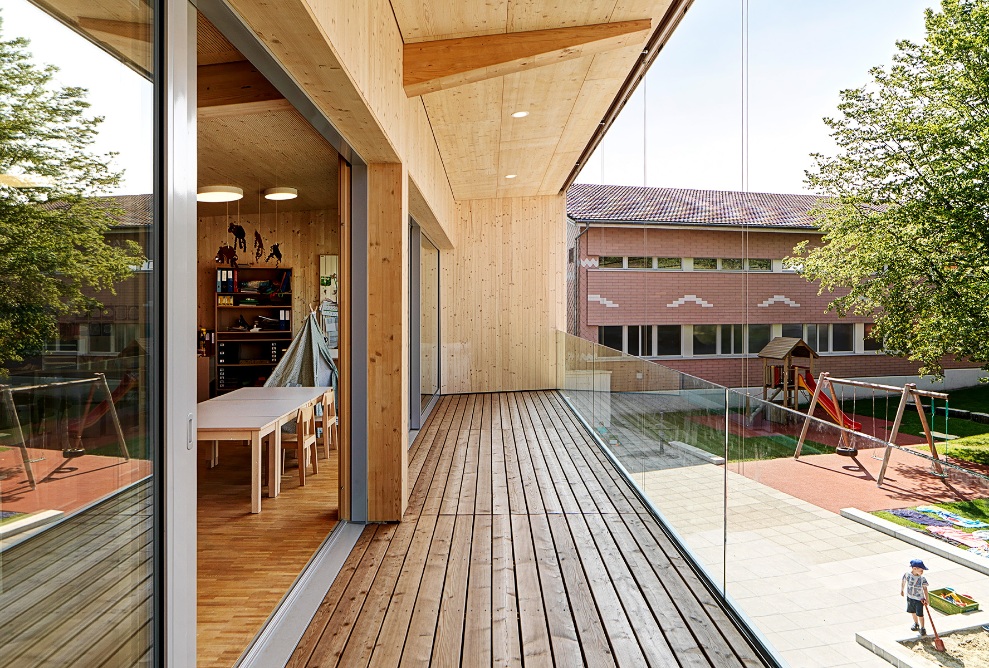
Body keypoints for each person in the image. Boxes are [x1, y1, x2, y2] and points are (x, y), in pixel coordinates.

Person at [901, 559, 930, 635]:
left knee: (920, 614)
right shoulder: (907, 575)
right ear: (914, 569)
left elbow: (925, 589)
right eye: (921, 570)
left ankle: (922, 627)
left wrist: (927, 599)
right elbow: (903, 581)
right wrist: (902, 590)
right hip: (910, 597)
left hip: (919, 599)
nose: (922, 572)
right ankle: (916, 623)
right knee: (912, 612)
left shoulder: (922, 579)